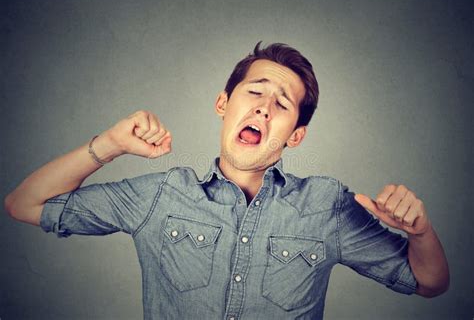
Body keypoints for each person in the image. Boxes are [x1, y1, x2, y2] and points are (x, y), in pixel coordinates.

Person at [4, 42, 449, 320]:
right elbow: (23, 204)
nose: (263, 107)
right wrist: (111, 144)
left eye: (282, 103)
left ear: (296, 135)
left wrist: (421, 233)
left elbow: (430, 282)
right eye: (255, 91)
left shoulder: (325, 205)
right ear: (224, 103)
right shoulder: (161, 197)